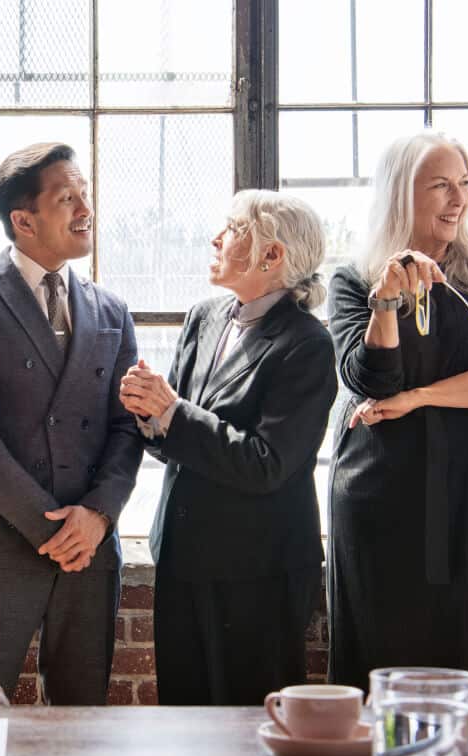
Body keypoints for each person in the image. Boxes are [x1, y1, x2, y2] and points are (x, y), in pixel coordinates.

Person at [0, 142, 142, 705]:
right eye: (67, 198)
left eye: (85, 194)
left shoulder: (111, 310)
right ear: (23, 220)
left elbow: (127, 427)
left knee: (81, 721)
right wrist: (51, 529)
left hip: (89, 551)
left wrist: (97, 516)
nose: (85, 209)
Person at [326, 129, 468, 689]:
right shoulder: (353, 277)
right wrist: (387, 302)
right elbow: (370, 377)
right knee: (380, 647)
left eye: (464, 183)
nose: (458, 198)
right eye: (441, 185)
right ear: (400, 193)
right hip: (378, 484)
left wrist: (418, 397)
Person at [119, 190, 336, 705]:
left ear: (272, 255)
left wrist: (172, 412)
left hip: (259, 571)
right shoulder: (205, 316)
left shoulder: (307, 344)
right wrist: (148, 414)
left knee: (249, 724)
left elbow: (268, 463)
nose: (216, 238)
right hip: (182, 555)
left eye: (233, 228)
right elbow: (174, 437)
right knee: (184, 716)